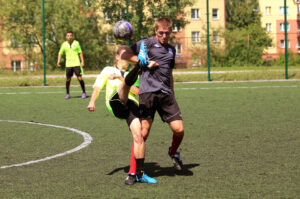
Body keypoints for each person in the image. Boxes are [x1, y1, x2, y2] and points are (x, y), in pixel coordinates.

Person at [121, 17, 185, 173]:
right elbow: (125, 55)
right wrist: (141, 60)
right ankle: (134, 170)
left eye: (167, 33)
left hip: (166, 95)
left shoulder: (171, 49)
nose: (164, 36)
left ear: (170, 32)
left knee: (179, 130)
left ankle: (172, 152)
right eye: (161, 33)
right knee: (142, 133)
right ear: (156, 31)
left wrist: (173, 93)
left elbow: (169, 74)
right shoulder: (146, 43)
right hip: (148, 94)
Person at [87, 46, 157, 185]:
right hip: (115, 102)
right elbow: (97, 87)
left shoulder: (129, 74)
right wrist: (92, 101)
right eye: (125, 55)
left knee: (139, 136)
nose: (127, 58)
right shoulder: (108, 70)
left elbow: (137, 91)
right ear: (118, 56)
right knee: (122, 87)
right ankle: (141, 64)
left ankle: (139, 173)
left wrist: (121, 77)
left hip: (131, 106)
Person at [57, 31, 86, 99]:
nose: (69, 37)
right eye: (68, 35)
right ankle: (67, 94)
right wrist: (58, 61)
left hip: (76, 63)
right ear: (66, 37)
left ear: (72, 36)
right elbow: (60, 53)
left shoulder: (76, 43)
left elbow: (80, 52)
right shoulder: (64, 44)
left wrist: (82, 61)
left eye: (70, 35)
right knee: (68, 79)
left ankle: (84, 92)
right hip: (68, 65)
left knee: (80, 78)